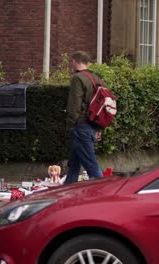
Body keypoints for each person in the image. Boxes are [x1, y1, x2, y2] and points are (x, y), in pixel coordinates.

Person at [64, 51, 103, 184]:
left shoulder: (78, 78)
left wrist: (72, 123)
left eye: (72, 62)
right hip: (92, 124)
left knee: (91, 165)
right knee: (74, 165)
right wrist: (98, 128)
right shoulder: (96, 78)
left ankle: (103, 192)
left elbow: (74, 104)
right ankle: (67, 189)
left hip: (81, 125)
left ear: (75, 61)